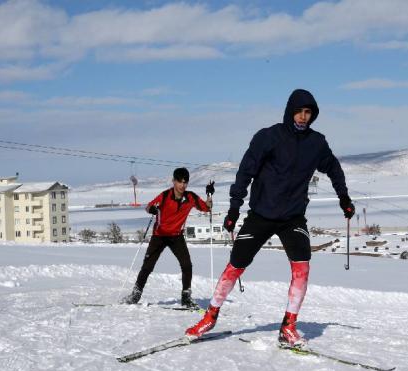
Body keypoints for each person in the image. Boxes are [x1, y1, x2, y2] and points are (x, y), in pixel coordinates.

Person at [184, 88, 355, 348]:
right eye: (299, 111)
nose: (303, 117)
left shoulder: (316, 143)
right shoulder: (268, 137)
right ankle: (210, 316)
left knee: (302, 267)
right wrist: (233, 209)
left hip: (293, 217)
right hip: (261, 214)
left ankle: (288, 325)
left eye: (308, 112)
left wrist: (344, 197)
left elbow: (333, 168)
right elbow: (245, 173)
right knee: (236, 266)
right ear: (290, 111)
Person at [121, 167, 213, 309]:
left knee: (187, 265)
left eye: (185, 182)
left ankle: (186, 297)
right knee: (147, 266)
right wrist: (151, 209)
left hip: (176, 236)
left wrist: (209, 195)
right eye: (180, 182)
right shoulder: (165, 196)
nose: (183, 185)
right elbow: (149, 206)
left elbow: (207, 208)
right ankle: (135, 294)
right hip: (159, 236)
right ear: (173, 181)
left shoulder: (190, 197)